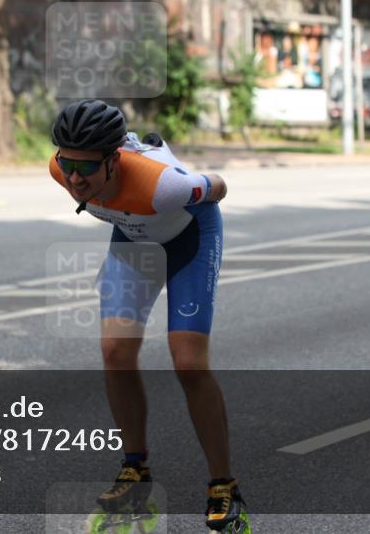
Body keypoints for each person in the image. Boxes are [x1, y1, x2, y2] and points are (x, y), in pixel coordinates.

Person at [48, 99, 250, 533]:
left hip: (190, 235)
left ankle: (224, 488)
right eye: (68, 163)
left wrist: (176, 168)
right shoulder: (59, 170)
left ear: (114, 160)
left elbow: (219, 186)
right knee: (115, 351)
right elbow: (90, 184)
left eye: (86, 167)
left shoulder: (164, 186)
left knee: (188, 362)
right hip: (134, 238)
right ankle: (134, 472)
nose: (75, 178)